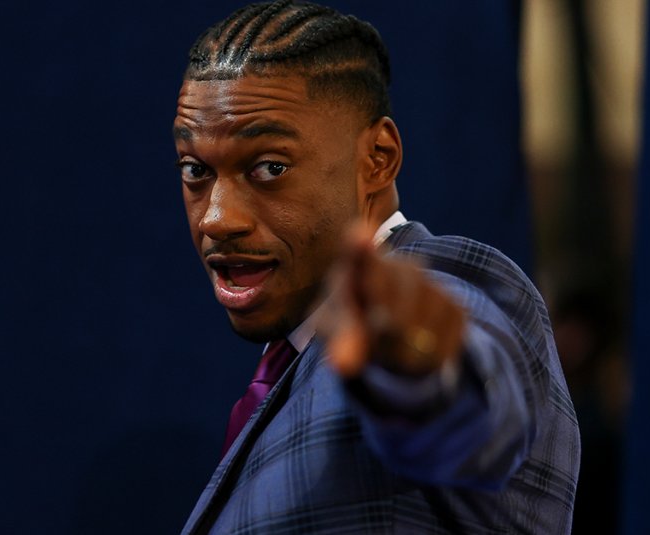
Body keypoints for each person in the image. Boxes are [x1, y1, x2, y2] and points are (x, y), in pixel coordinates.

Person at [173, 1, 580, 533]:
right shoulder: (296, 360)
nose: (218, 219)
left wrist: (412, 359)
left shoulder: (444, 277)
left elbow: (476, 402)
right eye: (195, 170)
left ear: (378, 158)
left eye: (269, 167)